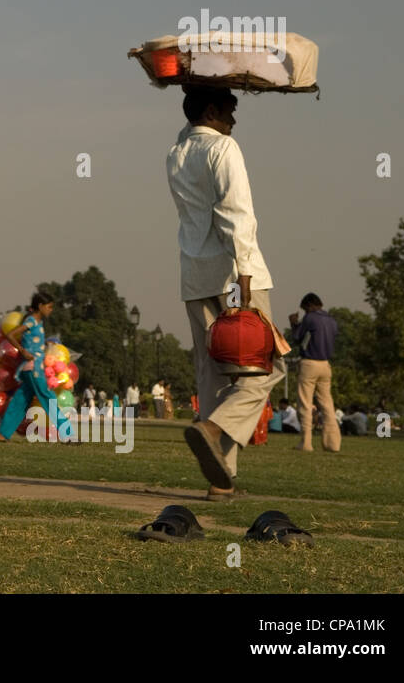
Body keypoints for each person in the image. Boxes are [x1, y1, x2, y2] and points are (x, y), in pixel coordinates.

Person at [166, 86, 287, 500]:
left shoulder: (177, 153)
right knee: (264, 370)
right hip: (235, 277)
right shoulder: (224, 149)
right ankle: (213, 429)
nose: (234, 121)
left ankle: (221, 480)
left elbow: (189, 133)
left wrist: (192, 84)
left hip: (195, 278)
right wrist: (247, 272)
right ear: (213, 111)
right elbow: (237, 212)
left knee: (214, 376)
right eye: (230, 111)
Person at [0, 293, 60, 442]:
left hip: (31, 368)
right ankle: (67, 433)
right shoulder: (31, 321)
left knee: (20, 401)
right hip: (33, 367)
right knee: (48, 397)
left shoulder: (39, 323)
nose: (51, 310)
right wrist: (23, 351)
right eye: (49, 307)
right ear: (40, 306)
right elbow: (11, 334)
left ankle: (2, 434)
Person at [289, 293, 341, 452]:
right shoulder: (332, 321)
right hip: (326, 364)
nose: (305, 311)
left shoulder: (310, 318)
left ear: (310, 305)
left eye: (305, 308)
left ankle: (305, 442)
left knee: (305, 403)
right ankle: (332, 443)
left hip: (310, 363)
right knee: (327, 404)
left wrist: (294, 324)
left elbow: (297, 338)